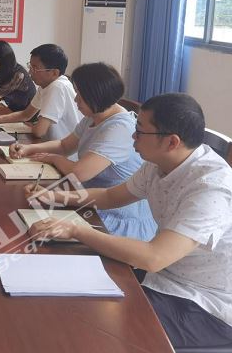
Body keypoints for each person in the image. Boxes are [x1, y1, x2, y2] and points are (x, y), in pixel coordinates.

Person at [26, 93, 232, 348]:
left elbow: (153, 257)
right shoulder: (160, 163)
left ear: (171, 141)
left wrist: (76, 230)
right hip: (165, 279)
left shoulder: (211, 189)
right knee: (70, 288)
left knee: (89, 324)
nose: (132, 137)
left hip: (206, 308)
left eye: (140, 131)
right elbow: (110, 196)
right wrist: (56, 197)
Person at [11, 63, 156, 240]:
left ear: (96, 96)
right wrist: (29, 148)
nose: (75, 100)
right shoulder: (94, 117)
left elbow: (79, 173)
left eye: (79, 94)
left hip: (115, 218)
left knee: (31, 233)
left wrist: (53, 158)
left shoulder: (120, 129)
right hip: (88, 201)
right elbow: (64, 145)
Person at [0, 43, 82, 140]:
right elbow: (26, 114)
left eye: (35, 68)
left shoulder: (57, 87)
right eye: (30, 66)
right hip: (53, 144)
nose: (30, 72)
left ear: (54, 73)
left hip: (66, 149)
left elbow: (39, 131)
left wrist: (33, 126)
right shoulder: (45, 86)